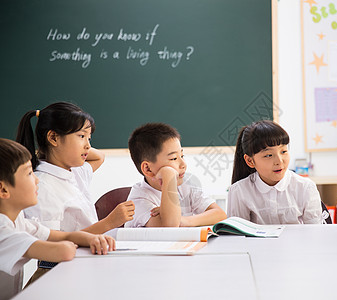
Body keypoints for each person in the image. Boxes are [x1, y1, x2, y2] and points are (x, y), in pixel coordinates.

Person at [0, 138, 115, 299]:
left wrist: (91, 238)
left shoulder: (17, 219)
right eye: (29, 173)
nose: (37, 179)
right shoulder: (3, 230)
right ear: (3, 189)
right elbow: (62, 251)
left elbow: (63, 236)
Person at [16, 102, 135, 234]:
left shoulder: (75, 171)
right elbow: (51, 244)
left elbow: (99, 157)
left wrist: (44, 151)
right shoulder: (42, 187)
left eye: (89, 138)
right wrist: (109, 223)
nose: (88, 146)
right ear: (53, 138)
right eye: (81, 136)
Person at [125, 123, 227, 227]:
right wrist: (168, 175)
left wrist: (185, 221)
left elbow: (220, 214)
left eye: (182, 156)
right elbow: (170, 227)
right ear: (148, 168)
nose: (183, 164)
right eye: (173, 158)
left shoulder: (186, 186)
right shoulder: (139, 200)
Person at [227, 120, 322, 224]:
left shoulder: (305, 187)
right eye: (268, 155)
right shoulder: (238, 191)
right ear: (250, 161)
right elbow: (238, 237)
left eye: (283, 151)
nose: (279, 161)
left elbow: (315, 233)